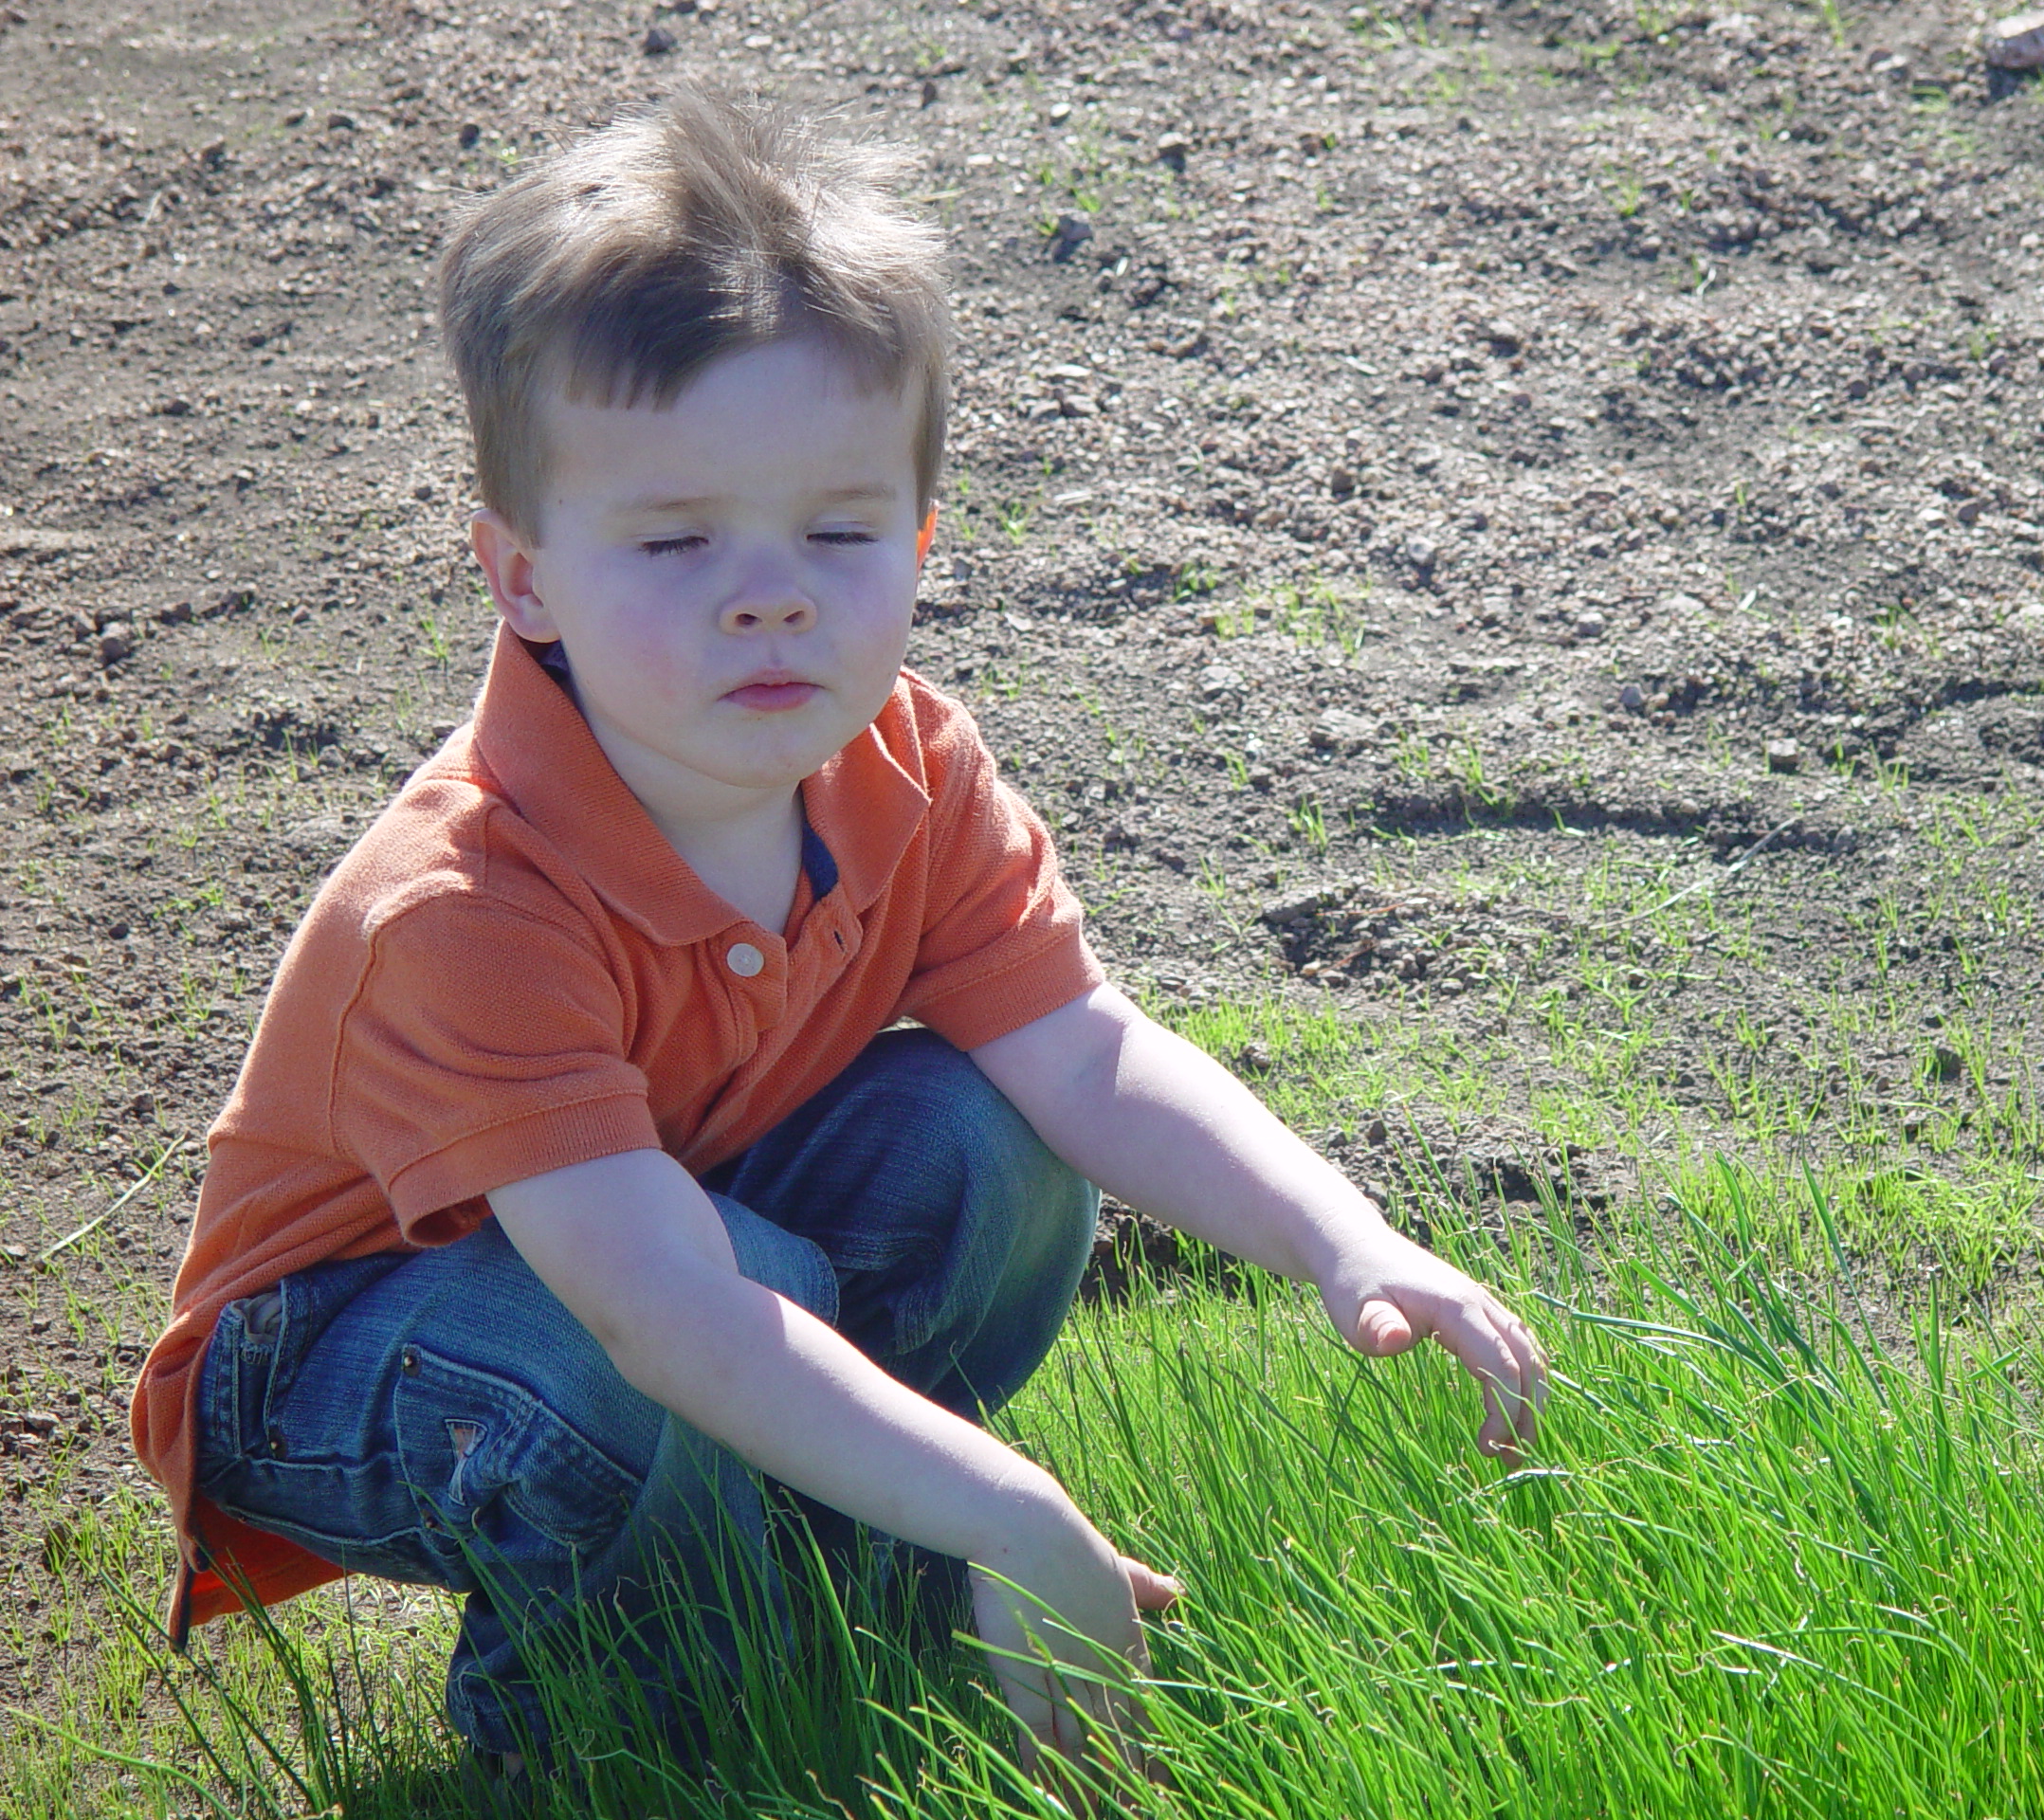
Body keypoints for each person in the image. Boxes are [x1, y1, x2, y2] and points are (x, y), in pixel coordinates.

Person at [131, 88, 1546, 1785]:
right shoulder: (467, 905)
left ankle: (845, 1572)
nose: (771, 592)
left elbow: (1084, 1052)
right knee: (642, 1358)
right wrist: (1012, 1502)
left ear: (923, 540)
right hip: (356, 1346)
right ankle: (609, 1736)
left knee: (995, 1138)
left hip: (669, 1253)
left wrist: (1345, 1237)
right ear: (522, 579)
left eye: (838, 530)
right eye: (674, 540)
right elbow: (672, 1319)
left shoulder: (908, 767)